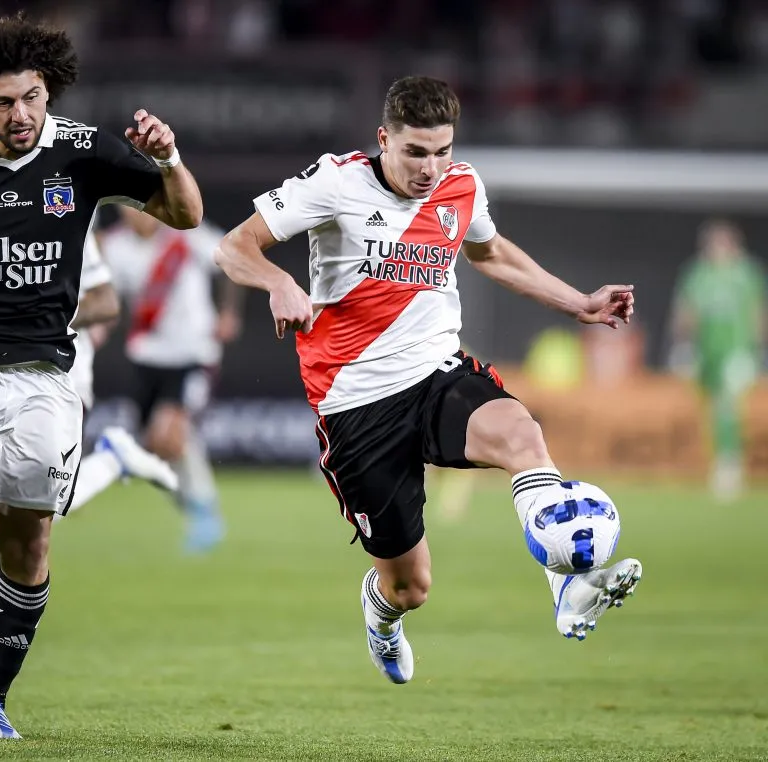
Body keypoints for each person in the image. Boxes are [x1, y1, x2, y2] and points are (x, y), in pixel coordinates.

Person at [214, 76, 643, 685]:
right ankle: (382, 614)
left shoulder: (461, 186)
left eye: (441, 150)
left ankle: (568, 581)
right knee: (411, 586)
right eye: (416, 152)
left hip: (436, 370)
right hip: (354, 402)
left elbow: (490, 253)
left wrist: (580, 304)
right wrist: (279, 282)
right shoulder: (335, 182)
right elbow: (234, 248)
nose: (430, 167)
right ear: (384, 139)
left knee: (521, 434)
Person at [0, 13, 202, 739]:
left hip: (43, 375)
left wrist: (170, 156)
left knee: (29, 545)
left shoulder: (85, 152)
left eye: (32, 97)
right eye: (3, 102)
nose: (21, 114)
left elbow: (185, 213)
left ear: (47, 91)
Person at [0, 231, 179, 677]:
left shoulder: (67, 220)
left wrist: (42, 319)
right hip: (2, 377)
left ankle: (110, 460)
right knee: (12, 512)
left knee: (22, 514)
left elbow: (104, 303)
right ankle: (112, 459)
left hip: (57, 380)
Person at [99, 206, 243, 552]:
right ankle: (196, 507)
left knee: (172, 433)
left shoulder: (185, 233)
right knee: (155, 448)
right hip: (147, 357)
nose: (136, 214)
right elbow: (110, 300)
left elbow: (231, 259)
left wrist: (228, 312)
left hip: (193, 354)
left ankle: (206, 513)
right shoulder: (116, 247)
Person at [669, 218, 765, 500]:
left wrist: (757, 350)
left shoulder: (747, 273)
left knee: (728, 405)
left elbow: (758, 311)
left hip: (736, 349)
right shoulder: (698, 273)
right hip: (706, 351)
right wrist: (683, 345)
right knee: (711, 406)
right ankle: (716, 462)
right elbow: (686, 310)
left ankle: (729, 466)